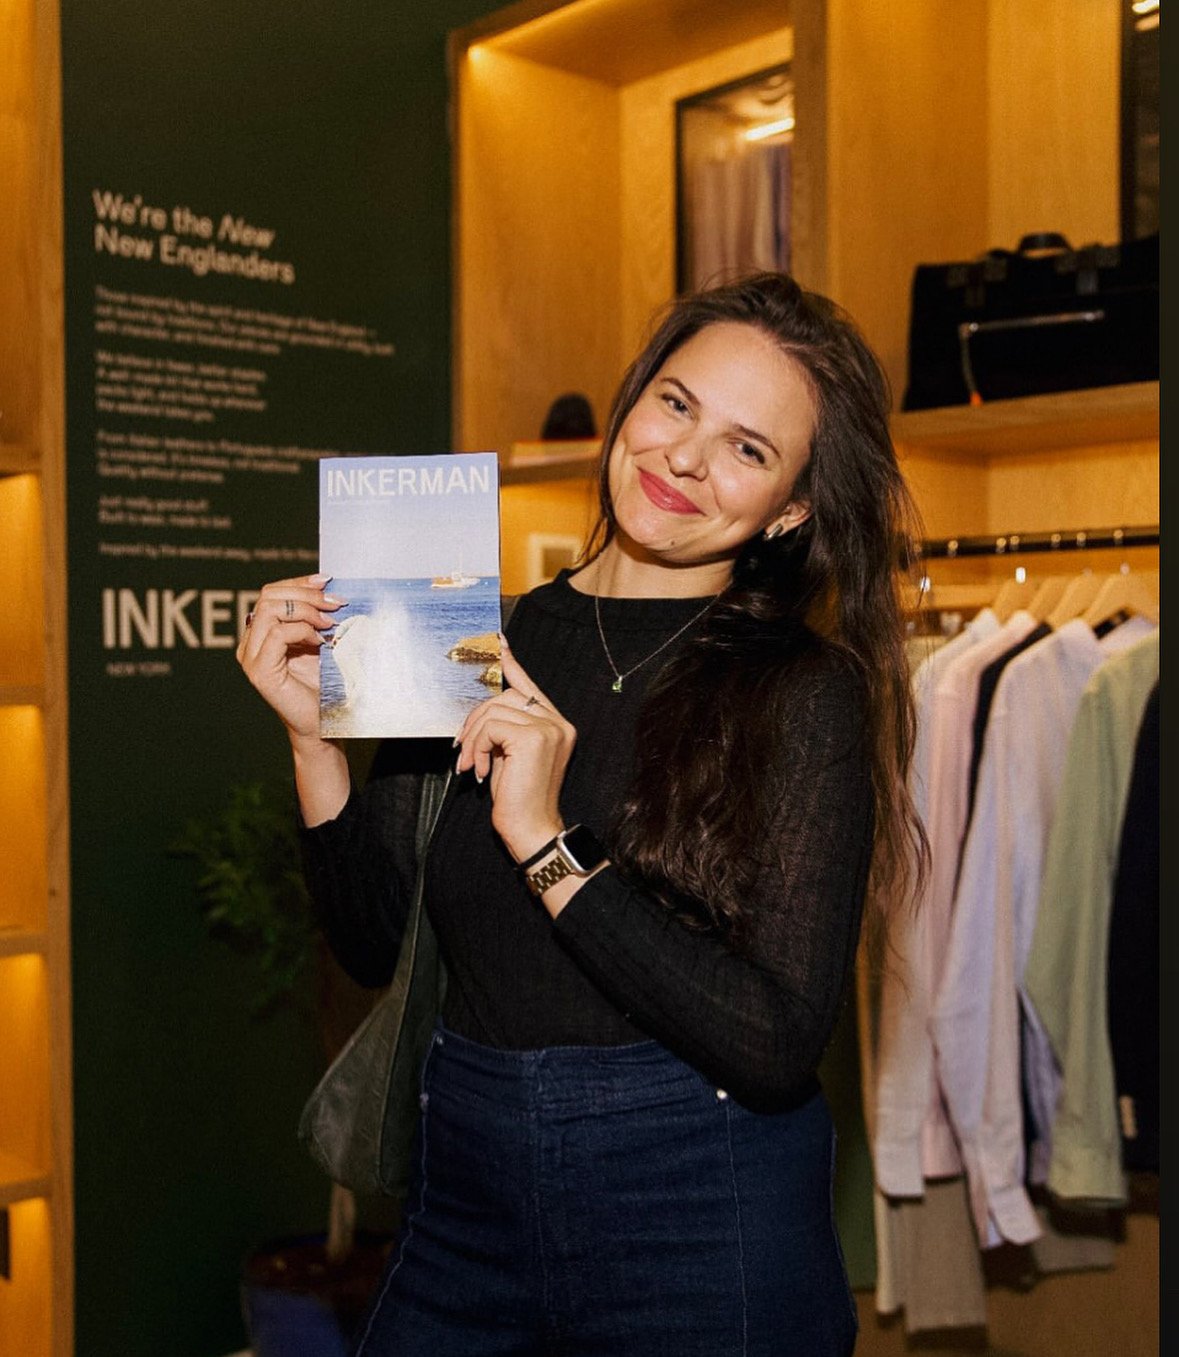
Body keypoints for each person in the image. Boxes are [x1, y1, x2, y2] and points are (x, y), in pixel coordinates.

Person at [237, 271, 926, 1356]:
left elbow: (775, 1038)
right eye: (676, 402)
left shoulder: (802, 691)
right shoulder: (472, 633)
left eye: (747, 448)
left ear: (790, 508)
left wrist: (548, 843)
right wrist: (312, 742)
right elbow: (374, 941)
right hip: (465, 1186)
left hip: (696, 1201)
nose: (684, 457)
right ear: (633, 398)